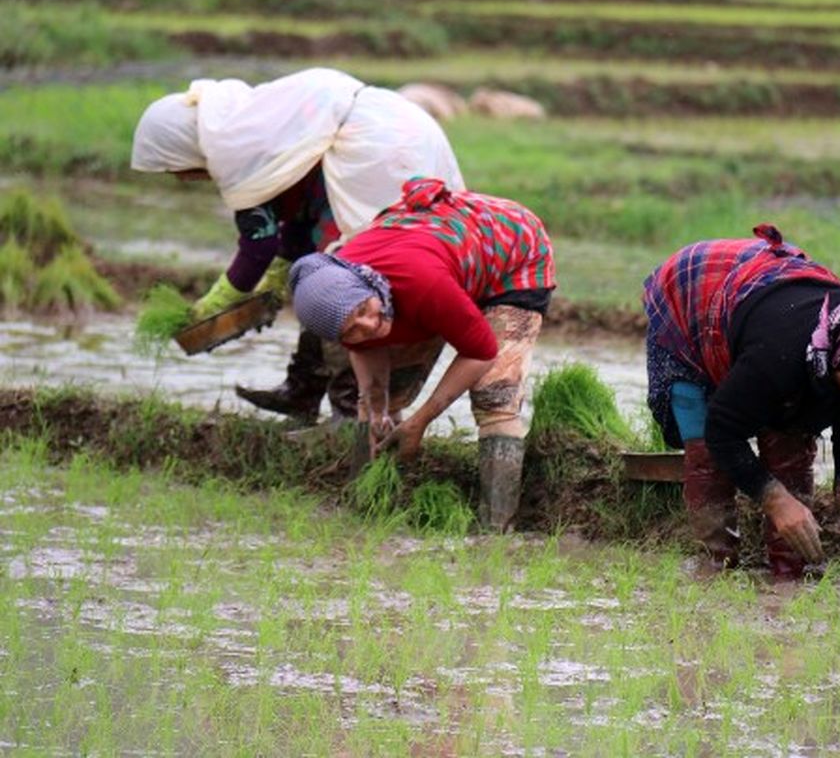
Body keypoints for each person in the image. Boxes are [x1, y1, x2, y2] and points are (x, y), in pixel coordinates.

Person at [130, 66, 465, 422]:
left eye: (173, 168)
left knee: (343, 283)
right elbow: (297, 220)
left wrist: (215, 306)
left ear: (185, 145)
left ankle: (351, 412)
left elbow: (257, 246)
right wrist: (276, 281)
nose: (180, 178)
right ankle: (303, 390)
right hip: (403, 131)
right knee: (320, 273)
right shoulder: (259, 126)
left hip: (374, 153)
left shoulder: (238, 151)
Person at [642, 225, 840, 578]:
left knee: (792, 442)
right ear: (836, 352)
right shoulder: (778, 357)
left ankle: (788, 573)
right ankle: (713, 564)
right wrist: (774, 500)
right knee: (706, 454)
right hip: (695, 295)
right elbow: (722, 432)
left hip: (766, 321)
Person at [288, 177, 555, 531]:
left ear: (368, 285)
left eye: (364, 311)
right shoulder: (338, 295)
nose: (368, 326)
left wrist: (421, 421)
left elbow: (481, 351)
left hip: (512, 253)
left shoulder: (418, 283)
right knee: (384, 402)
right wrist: (375, 407)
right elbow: (364, 349)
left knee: (494, 396)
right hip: (446, 261)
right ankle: (367, 505)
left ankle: (495, 529)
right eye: (351, 329)